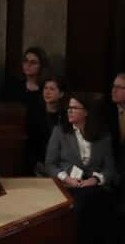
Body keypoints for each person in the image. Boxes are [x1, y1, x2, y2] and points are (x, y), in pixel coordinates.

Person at [45, 93, 117, 244]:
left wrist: (96, 179)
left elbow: (110, 169)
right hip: (68, 185)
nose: (70, 111)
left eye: (74, 108)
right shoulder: (60, 132)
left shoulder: (103, 135)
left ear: (86, 112)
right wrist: (67, 178)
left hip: (95, 187)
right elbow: (50, 164)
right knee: (80, 206)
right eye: (69, 108)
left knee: (95, 202)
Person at [30, 75, 67, 174]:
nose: (47, 92)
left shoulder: (66, 115)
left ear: (61, 94)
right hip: (39, 162)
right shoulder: (35, 114)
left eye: (52, 89)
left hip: (61, 163)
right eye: (45, 88)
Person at [2, 46, 47, 110]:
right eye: (25, 61)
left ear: (41, 66)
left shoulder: (46, 89)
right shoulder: (14, 86)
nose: (28, 65)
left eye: (33, 62)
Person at [101, 72, 125, 170]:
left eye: (119, 87)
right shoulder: (105, 110)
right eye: (113, 86)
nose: (114, 90)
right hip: (110, 164)